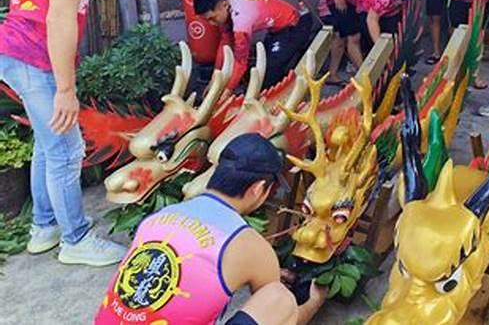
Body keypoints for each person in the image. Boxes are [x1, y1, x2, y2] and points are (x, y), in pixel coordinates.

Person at [0, 0, 135, 266]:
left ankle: (44, 227)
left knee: (47, 141)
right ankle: (76, 239)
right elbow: (59, 14)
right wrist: (65, 88)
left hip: (15, 47)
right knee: (66, 147)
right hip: (35, 54)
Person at [94, 133, 327, 325]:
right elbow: (276, 307)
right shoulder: (248, 243)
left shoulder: (159, 218)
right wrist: (313, 303)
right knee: (279, 298)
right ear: (258, 189)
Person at [194, 0, 311, 95]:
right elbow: (225, 43)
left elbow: (241, 62)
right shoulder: (227, 2)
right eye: (207, 20)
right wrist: (214, 79)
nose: (212, 24)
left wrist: (227, 91)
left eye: (212, 18)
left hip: (295, 26)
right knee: (257, 71)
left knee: (266, 77)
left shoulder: (241, 21)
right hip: (277, 30)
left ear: (224, 5)